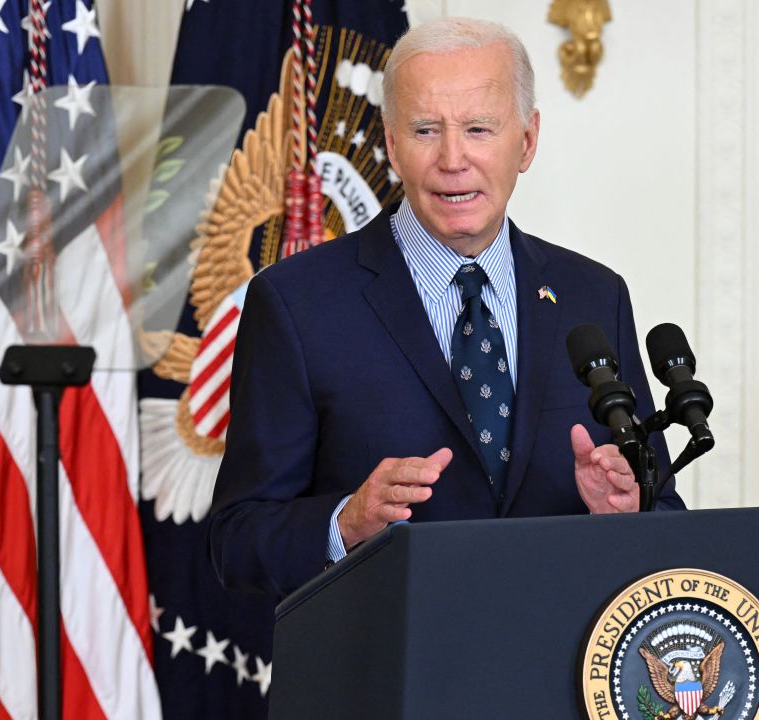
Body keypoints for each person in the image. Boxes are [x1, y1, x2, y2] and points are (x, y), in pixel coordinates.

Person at [208, 17, 684, 598]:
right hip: (387, 677)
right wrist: (346, 523)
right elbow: (235, 542)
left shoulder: (594, 295)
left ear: (528, 141)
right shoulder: (296, 304)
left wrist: (627, 513)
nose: (453, 158)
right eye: (426, 130)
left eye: (479, 128)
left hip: (558, 672)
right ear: (390, 143)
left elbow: (662, 506)